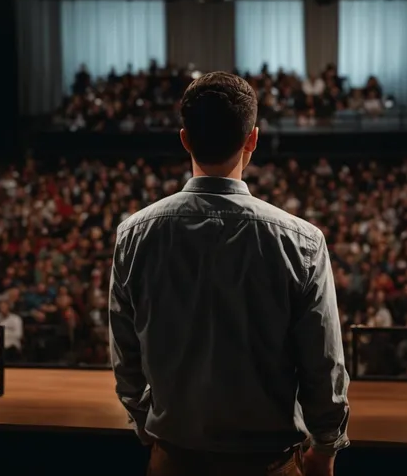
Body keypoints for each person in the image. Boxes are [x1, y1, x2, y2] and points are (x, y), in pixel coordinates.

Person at [109, 72, 350, 476]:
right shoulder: (303, 242)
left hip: (174, 459)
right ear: (252, 140)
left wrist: (147, 426)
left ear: (185, 139)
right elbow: (323, 363)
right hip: (268, 463)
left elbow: (126, 356)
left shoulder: (134, 234)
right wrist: (326, 447)